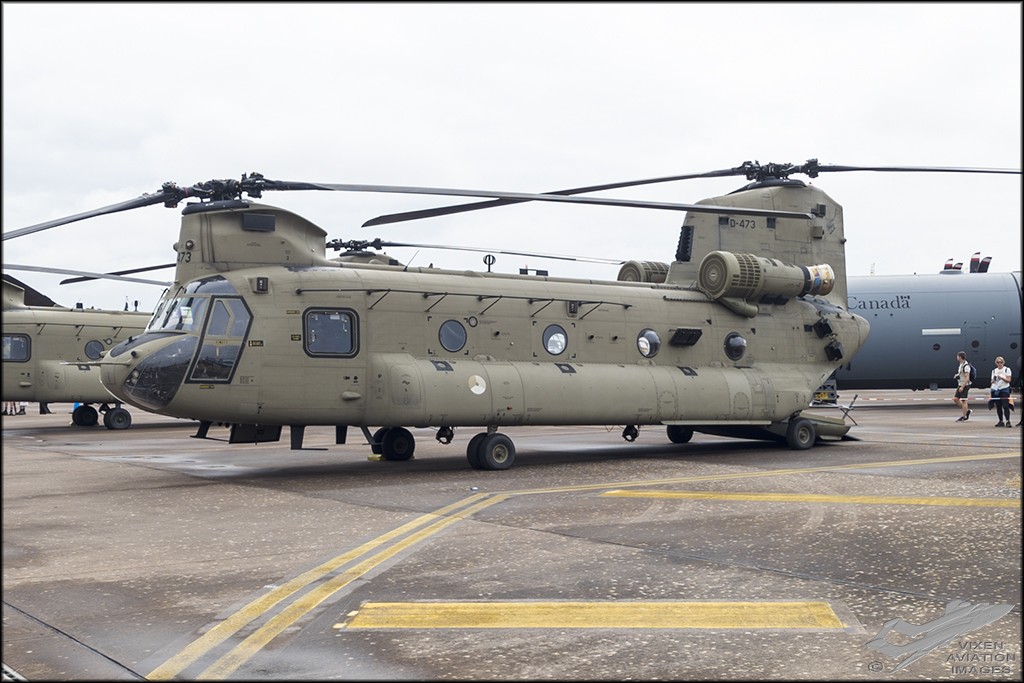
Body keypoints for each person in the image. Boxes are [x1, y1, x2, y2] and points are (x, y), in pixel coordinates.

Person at [989, 356, 1012, 427]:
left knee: (1005, 405)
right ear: (996, 363)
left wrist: (1002, 377)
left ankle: (1008, 421)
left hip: (1004, 389)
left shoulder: (1007, 369)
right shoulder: (994, 371)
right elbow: (992, 381)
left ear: (1003, 362)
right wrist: (994, 379)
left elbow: (1008, 380)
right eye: (998, 362)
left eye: (1001, 362)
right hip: (996, 389)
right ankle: (1001, 421)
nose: (999, 364)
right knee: (998, 406)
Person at [952, 351, 972, 422]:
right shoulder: (961, 364)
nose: (956, 357)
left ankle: (964, 416)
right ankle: (966, 411)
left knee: (964, 400)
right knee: (955, 399)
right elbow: (961, 374)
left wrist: (962, 387)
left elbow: (967, 378)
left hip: (964, 385)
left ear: (960, 357)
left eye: (957, 356)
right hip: (960, 384)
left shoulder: (966, 366)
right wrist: (957, 375)